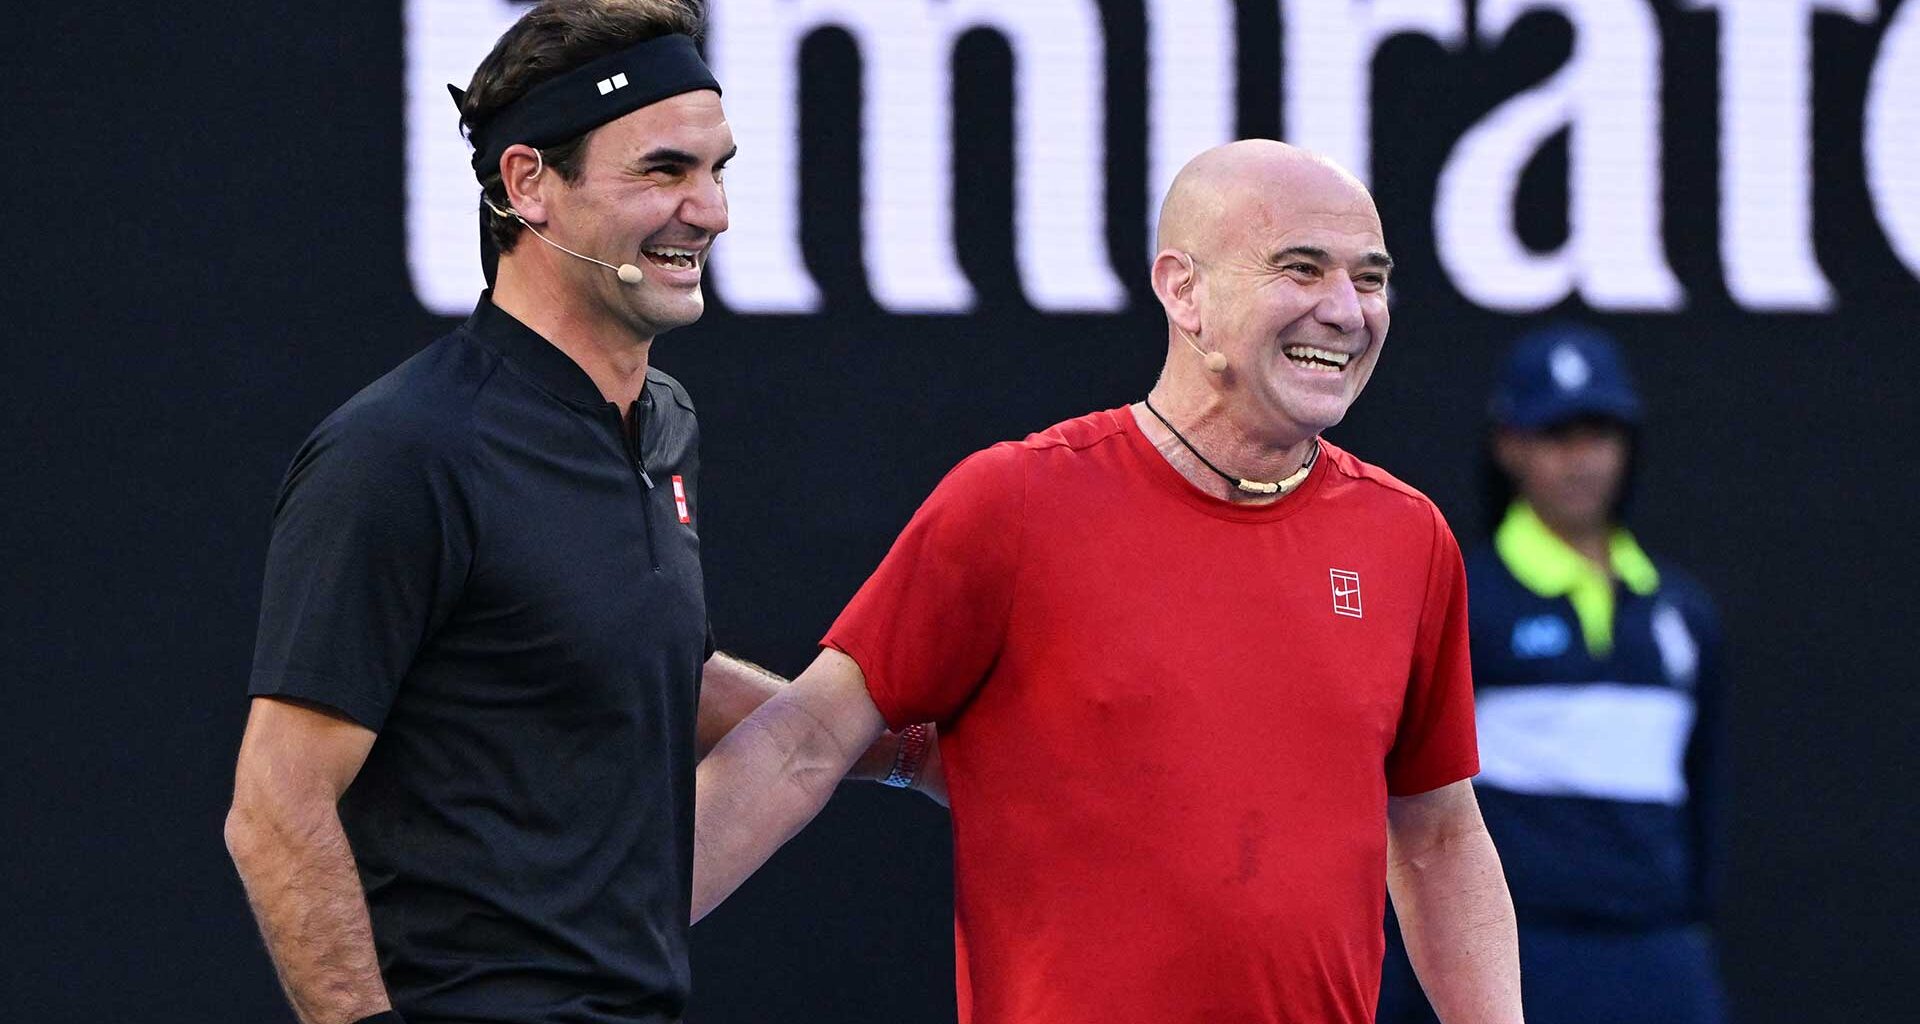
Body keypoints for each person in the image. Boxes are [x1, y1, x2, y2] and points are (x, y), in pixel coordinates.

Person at [691, 140, 1523, 1023]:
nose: (1347, 312)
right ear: (1183, 290)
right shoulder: (1015, 502)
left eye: (1370, 278)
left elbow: (1437, 837)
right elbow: (800, 744)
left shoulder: (1407, 538)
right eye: (1302, 268)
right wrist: (599, 945)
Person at [222, 4, 928, 1023]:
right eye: (663, 171)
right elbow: (274, 809)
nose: (712, 211)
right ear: (528, 186)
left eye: (717, 170)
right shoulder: (403, 452)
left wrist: (907, 753)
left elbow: (638, 669)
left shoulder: (664, 421)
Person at [1378, 324, 1730, 1024]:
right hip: (1521, 951)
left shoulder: (1683, 612)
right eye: (1556, 434)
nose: (1582, 459)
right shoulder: (1460, 598)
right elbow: (1410, 809)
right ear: (1509, 445)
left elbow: (1704, 799)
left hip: (1659, 953)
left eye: (1599, 433)